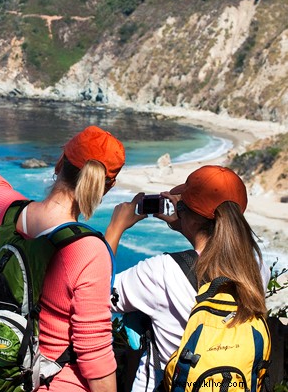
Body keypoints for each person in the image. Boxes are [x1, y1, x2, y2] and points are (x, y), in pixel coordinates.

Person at [0, 125, 125, 392]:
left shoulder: (10, 213)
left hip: (7, 381)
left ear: (59, 163)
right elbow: (95, 352)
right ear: (105, 188)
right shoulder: (88, 249)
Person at [105, 165, 270, 392]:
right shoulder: (257, 268)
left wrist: (115, 228)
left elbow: (98, 293)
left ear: (189, 216)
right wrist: (186, 227)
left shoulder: (162, 272)